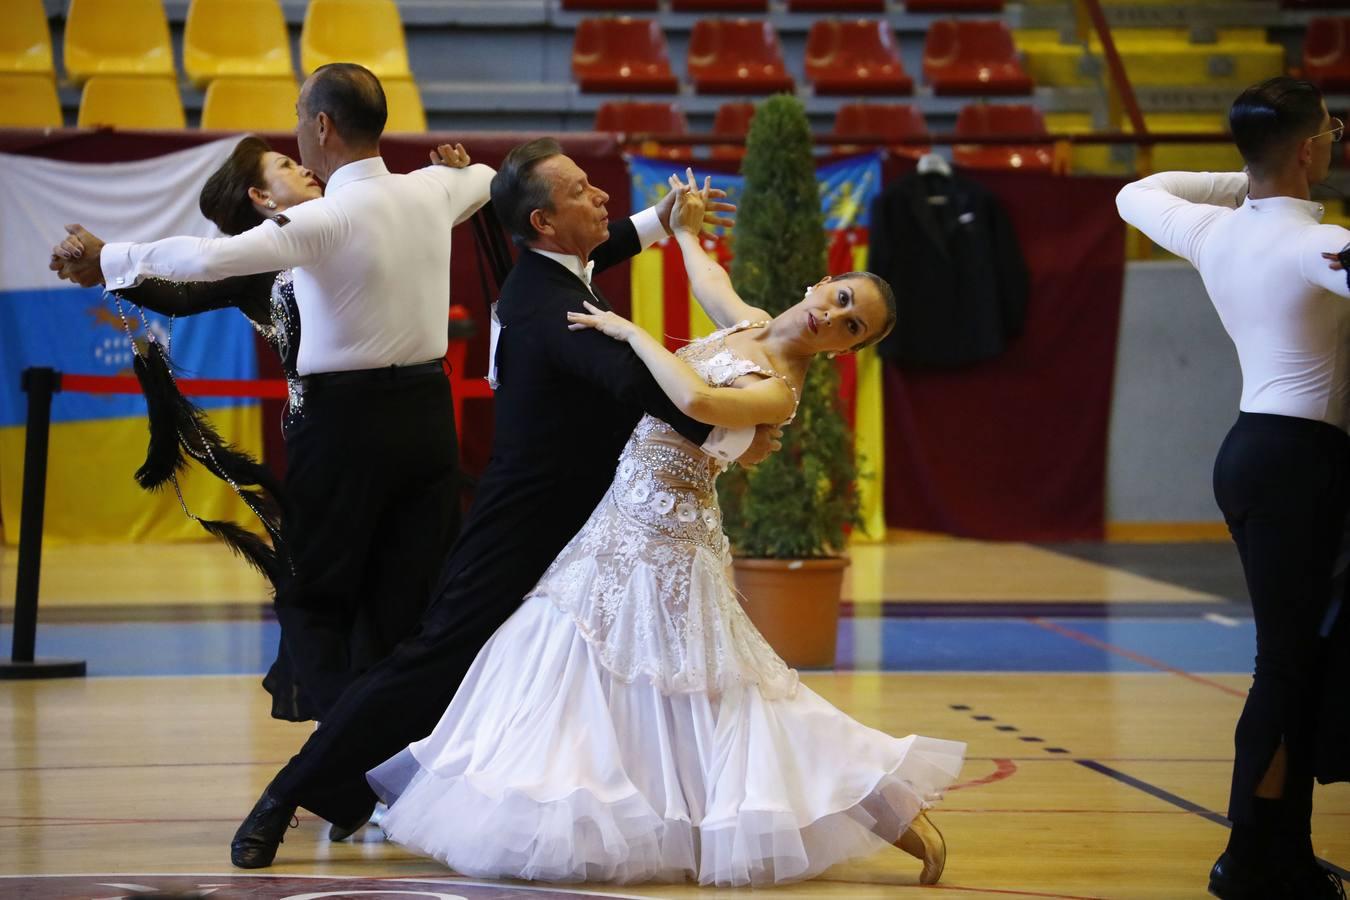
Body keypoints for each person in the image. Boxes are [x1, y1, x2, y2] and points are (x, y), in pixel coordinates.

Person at [365, 169, 963, 886]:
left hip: (670, 540)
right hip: (621, 517)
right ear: (821, 283)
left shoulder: (778, 387)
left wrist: (626, 332)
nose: (832, 317)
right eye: (839, 298)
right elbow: (709, 279)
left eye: (851, 325)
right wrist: (681, 228)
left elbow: (696, 397)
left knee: (722, 692)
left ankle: (883, 801)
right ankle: (543, 804)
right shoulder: (747, 322)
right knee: (567, 656)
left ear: (848, 348)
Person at [227, 138, 772, 869]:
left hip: (586, 520)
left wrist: (662, 221)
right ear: (544, 222)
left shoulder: (555, 272)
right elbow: (653, 394)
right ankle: (287, 794)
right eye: (582, 191)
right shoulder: (552, 312)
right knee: (431, 667)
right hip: (527, 528)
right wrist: (747, 424)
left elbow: (599, 247)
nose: (602, 197)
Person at [49, 63, 496, 730]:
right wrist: (113, 270)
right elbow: (187, 282)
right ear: (260, 198)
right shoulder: (273, 256)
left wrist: (112, 255)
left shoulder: (343, 216)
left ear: (324, 127)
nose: (301, 161)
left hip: (368, 428)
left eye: (296, 143)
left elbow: (480, 183)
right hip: (342, 433)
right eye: (283, 163)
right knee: (345, 598)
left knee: (378, 592)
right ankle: (358, 745)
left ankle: (373, 749)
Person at [1116, 76, 1349, 900]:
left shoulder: (1216, 229)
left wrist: (1253, 175)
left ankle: (1280, 849)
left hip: (1251, 451)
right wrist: (1271, 172)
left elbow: (1134, 190)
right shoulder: (1311, 243)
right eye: (1326, 131)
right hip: (1299, 461)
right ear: (1311, 149)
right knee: (1286, 668)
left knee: (1299, 664)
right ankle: (1251, 854)